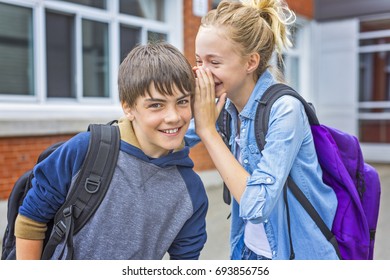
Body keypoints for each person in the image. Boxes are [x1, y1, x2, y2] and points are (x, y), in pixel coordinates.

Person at [14, 42, 208, 260]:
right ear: (128, 107)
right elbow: (31, 220)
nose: (173, 116)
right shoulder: (84, 150)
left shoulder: (192, 191)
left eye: (182, 102)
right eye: (156, 105)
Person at [186, 0, 339, 260]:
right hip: (248, 252)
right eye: (199, 61)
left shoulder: (285, 111)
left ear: (250, 62)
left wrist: (208, 132)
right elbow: (169, 140)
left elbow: (257, 205)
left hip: (298, 257)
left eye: (214, 62)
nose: (202, 73)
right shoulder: (224, 105)